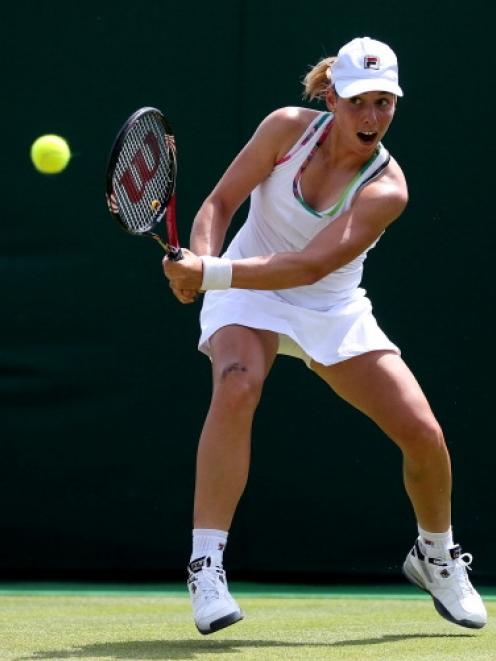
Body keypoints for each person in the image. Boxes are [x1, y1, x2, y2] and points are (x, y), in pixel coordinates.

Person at [162, 36, 487, 634]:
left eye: (385, 102)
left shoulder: (387, 189)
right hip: (245, 286)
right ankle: (206, 565)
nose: (372, 117)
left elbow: (311, 266)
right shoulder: (286, 130)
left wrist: (205, 273)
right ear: (332, 97)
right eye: (360, 100)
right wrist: (200, 266)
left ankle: (435, 554)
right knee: (237, 384)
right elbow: (219, 202)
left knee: (424, 436)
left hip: (328, 305)